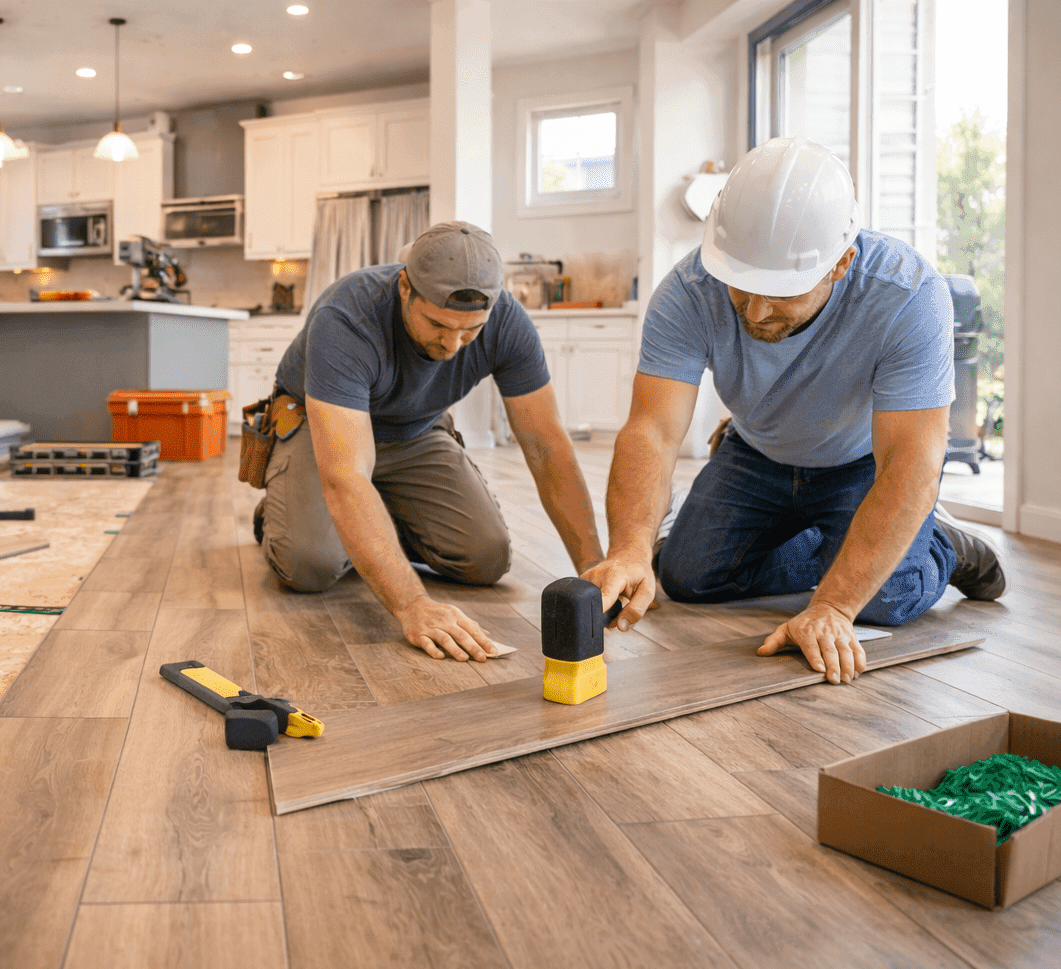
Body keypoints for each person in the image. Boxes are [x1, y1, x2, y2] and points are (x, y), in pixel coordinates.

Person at [582, 136, 1004, 685]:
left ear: (841, 264)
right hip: (756, 452)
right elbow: (653, 432)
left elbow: (910, 461)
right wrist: (630, 549)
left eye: (781, 291)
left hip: (863, 464)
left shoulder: (907, 294)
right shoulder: (687, 292)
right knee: (685, 575)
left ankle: (940, 542)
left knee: (883, 598)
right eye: (741, 286)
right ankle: (836, 542)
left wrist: (833, 606)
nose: (755, 312)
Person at [257, 221, 604, 663]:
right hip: (324, 428)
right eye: (438, 324)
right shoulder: (347, 316)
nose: (454, 344)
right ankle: (282, 511)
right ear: (405, 287)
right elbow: (345, 476)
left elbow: (546, 445)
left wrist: (593, 569)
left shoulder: (507, 321)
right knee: (309, 565)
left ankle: (370, 524)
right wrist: (412, 605)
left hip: (414, 430)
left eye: (471, 330)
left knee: (485, 559)